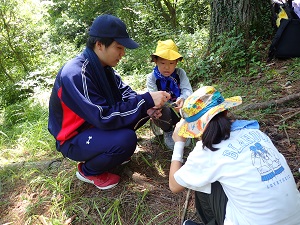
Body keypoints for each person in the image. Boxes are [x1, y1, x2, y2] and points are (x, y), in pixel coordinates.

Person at [48, 14, 171, 190]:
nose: (123, 54)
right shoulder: (76, 73)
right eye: (119, 47)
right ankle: (87, 171)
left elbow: (126, 93)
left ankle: (110, 150)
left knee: (141, 111)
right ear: (99, 45)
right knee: (126, 139)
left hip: (93, 128)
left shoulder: (104, 69)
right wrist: (144, 102)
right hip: (73, 139)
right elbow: (103, 116)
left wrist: (148, 106)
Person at [169, 86, 300, 225]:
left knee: (203, 180)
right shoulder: (256, 133)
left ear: (196, 127)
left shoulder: (206, 152)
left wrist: (179, 143)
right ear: (226, 111)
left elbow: (174, 185)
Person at [146, 39, 193, 150]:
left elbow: (187, 90)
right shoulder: (152, 78)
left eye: (171, 63)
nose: (167, 67)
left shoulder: (180, 73)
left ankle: (183, 127)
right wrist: (168, 106)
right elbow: (153, 98)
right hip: (165, 109)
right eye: (163, 63)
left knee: (191, 103)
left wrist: (182, 99)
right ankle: (167, 130)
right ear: (156, 61)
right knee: (159, 111)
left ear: (176, 62)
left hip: (179, 107)